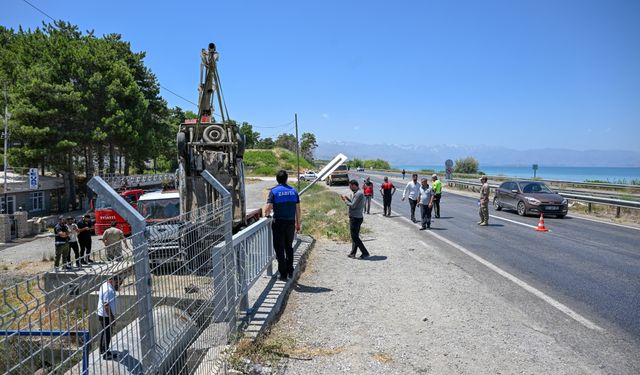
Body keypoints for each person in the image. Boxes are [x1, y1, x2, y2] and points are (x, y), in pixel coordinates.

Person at [264, 170, 301, 281]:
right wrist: (298, 223)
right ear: (286, 179)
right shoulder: (294, 191)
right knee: (288, 247)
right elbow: (298, 209)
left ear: (277, 179)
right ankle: (290, 270)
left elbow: (268, 208)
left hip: (278, 223)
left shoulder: (274, 191)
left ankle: (283, 273)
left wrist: (266, 214)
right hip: (290, 223)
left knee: (279, 248)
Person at [341, 179, 370, 259]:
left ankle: (365, 252)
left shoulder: (358, 194)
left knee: (354, 237)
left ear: (354, 185)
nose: (350, 188)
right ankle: (353, 253)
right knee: (355, 236)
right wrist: (348, 199)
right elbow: (355, 203)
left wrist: (344, 201)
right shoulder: (357, 193)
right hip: (356, 217)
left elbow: (353, 206)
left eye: (350, 186)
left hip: (355, 218)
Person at [97, 274, 121, 360]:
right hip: (106, 315)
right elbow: (106, 305)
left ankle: (102, 350)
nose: (117, 284)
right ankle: (106, 354)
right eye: (116, 282)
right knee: (107, 334)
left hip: (102, 314)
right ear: (111, 280)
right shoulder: (108, 290)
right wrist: (112, 318)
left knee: (104, 332)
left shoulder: (104, 285)